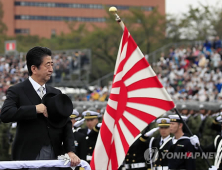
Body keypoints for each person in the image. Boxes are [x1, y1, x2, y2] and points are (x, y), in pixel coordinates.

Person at [0, 47, 80, 168]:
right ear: (34, 68)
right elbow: (6, 114)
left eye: (52, 65)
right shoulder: (17, 90)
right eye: (47, 65)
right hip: (29, 155)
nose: (51, 69)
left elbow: (66, 124)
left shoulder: (56, 93)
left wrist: (70, 151)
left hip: (56, 155)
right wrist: (35, 109)